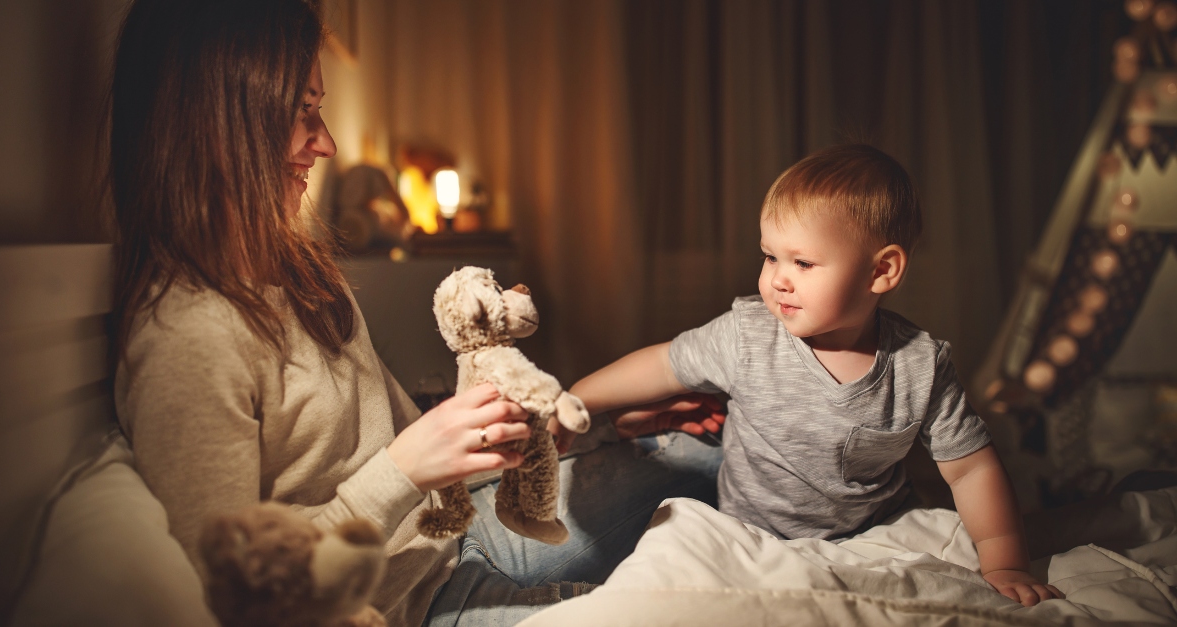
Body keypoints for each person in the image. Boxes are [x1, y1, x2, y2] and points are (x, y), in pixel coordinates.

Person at [107, 2, 720, 626]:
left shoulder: (295, 272)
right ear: (221, 121)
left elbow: (409, 442)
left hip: (460, 532)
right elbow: (232, 602)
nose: (327, 143)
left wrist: (591, 431)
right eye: (303, 112)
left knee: (709, 460)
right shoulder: (186, 339)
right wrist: (403, 471)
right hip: (407, 606)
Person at [566, 144, 1065, 607]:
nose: (777, 278)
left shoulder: (919, 365)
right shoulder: (748, 335)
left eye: (803, 262)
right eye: (770, 255)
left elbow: (972, 469)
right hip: (749, 535)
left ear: (881, 272)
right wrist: (577, 400)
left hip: (869, 534)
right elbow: (662, 364)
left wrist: (1006, 563)